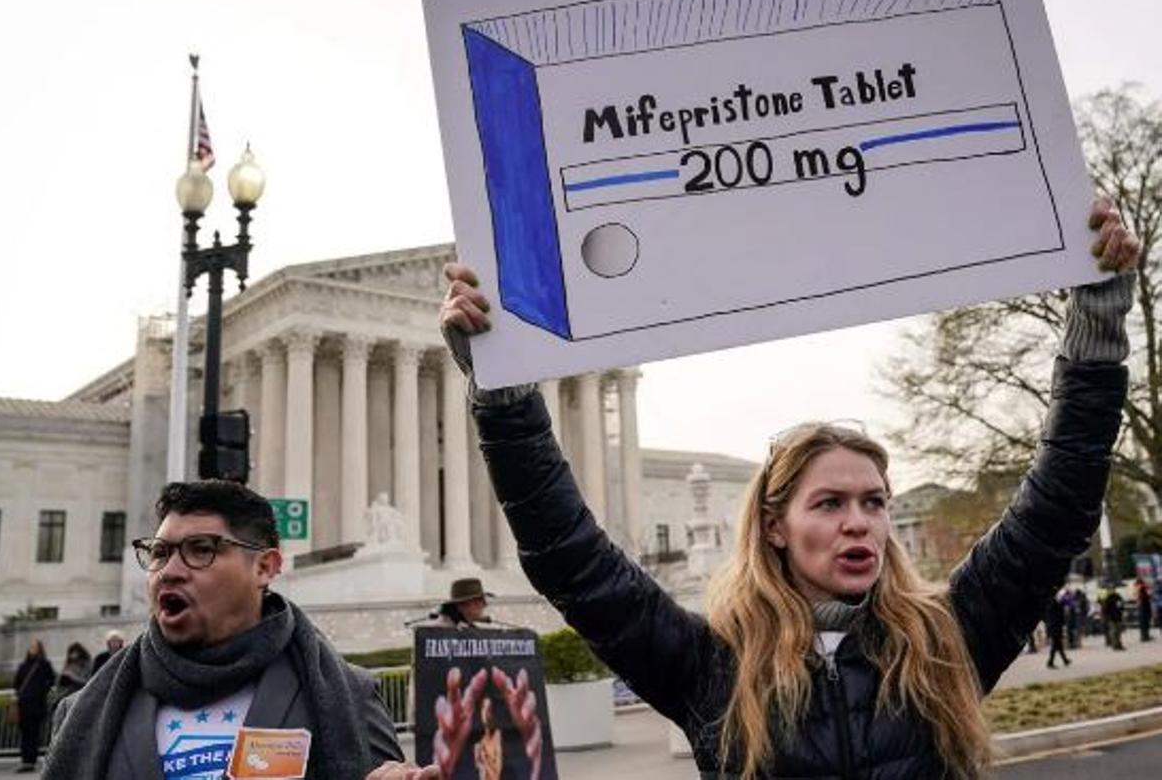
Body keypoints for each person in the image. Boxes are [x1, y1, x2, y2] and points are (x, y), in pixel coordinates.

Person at [439, 199, 1139, 778]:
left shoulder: (942, 641)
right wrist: (504, 395)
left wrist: (1099, 326)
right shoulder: (713, 669)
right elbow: (571, 557)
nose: (859, 522)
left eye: (873, 502)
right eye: (829, 504)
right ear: (775, 525)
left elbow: (1055, 511)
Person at [45, 479, 416, 780]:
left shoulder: (349, 696)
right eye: (159, 552)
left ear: (265, 568)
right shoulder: (82, 714)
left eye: (201, 549)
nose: (170, 570)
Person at [13, 639, 56, 773]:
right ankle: (25, 760)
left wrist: (41, 691)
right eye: (30, 647)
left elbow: (52, 679)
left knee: (34, 733)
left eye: (34, 647)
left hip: (37, 704)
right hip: (24, 704)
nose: (32, 649)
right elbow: (16, 683)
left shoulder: (44, 664)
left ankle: (31, 761)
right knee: (25, 733)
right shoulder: (23, 665)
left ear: (39, 649)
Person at [1045, 592, 1071, 669]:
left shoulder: (1052, 603)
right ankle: (1050, 662)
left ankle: (1065, 660)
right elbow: (1058, 613)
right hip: (1055, 627)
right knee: (1055, 645)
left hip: (1054, 627)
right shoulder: (1053, 603)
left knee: (1058, 645)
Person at [1102, 586, 1126, 650]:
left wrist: (1122, 610)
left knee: (1118, 631)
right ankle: (1115, 645)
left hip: (1118, 616)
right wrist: (1107, 616)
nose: (1112, 590)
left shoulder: (1118, 597)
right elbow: (1105, 609)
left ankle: (1118, 644)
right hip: (1112, 617)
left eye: (1113, 589)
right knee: (1114, 631)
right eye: (1110, 590)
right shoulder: (1107, 598)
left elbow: (1122, 604)